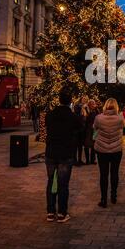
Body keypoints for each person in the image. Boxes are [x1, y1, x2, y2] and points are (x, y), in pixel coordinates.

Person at [45, 88, 83, 223]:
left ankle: (50, 212)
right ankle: (61, 213)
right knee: (63, 184)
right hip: (65, 154)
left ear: (59, 100)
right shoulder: (72, 116)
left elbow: (48, 127)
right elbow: (80, 127)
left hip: (51, 152)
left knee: (51, 182)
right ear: (70, 101)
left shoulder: (50, 114)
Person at [94, 98, 124, 208]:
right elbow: (122, 127)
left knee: (103, 174)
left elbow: (95, 128)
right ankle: (114, 196)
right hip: (116, 149)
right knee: (114, 173)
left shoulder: (99, 118)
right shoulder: (120, 118)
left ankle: (103, 199)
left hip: (102, 149)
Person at [74, 96, 89, 165]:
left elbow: (87, 116)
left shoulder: (86, 107)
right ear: (81, 99)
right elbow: (77, 116)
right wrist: (82, 108)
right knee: (76, 145)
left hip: (83, 128)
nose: (85, 100)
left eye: (86, 100)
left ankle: (79, 160)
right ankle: (75, 160)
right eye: (84, 99)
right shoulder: (77, 106)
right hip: (77, 128)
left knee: (80, 145)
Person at [84, 99, 99, 165]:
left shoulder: (96, 111)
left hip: (94, 129)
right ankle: (87, 160)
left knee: (94, 144)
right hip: (88, 129)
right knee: (87, 144)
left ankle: (92, 159)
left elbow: (98, 117)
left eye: (94, 103)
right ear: (89, 105)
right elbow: (86, 118)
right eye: (92, 104)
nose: (93, 105)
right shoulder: (86, 110)